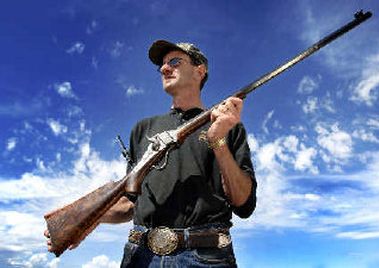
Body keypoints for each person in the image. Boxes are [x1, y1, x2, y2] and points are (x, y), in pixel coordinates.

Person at [45, 40, 257, 267]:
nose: (165, 69)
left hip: (206, 256)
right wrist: (86, 220)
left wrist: (218, 142)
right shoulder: (142, 129)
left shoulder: (228, 125)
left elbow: (243, 204)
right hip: (141, 254)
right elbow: (130, 203)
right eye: (162, 66)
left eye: (175, 61)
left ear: (200, 70)